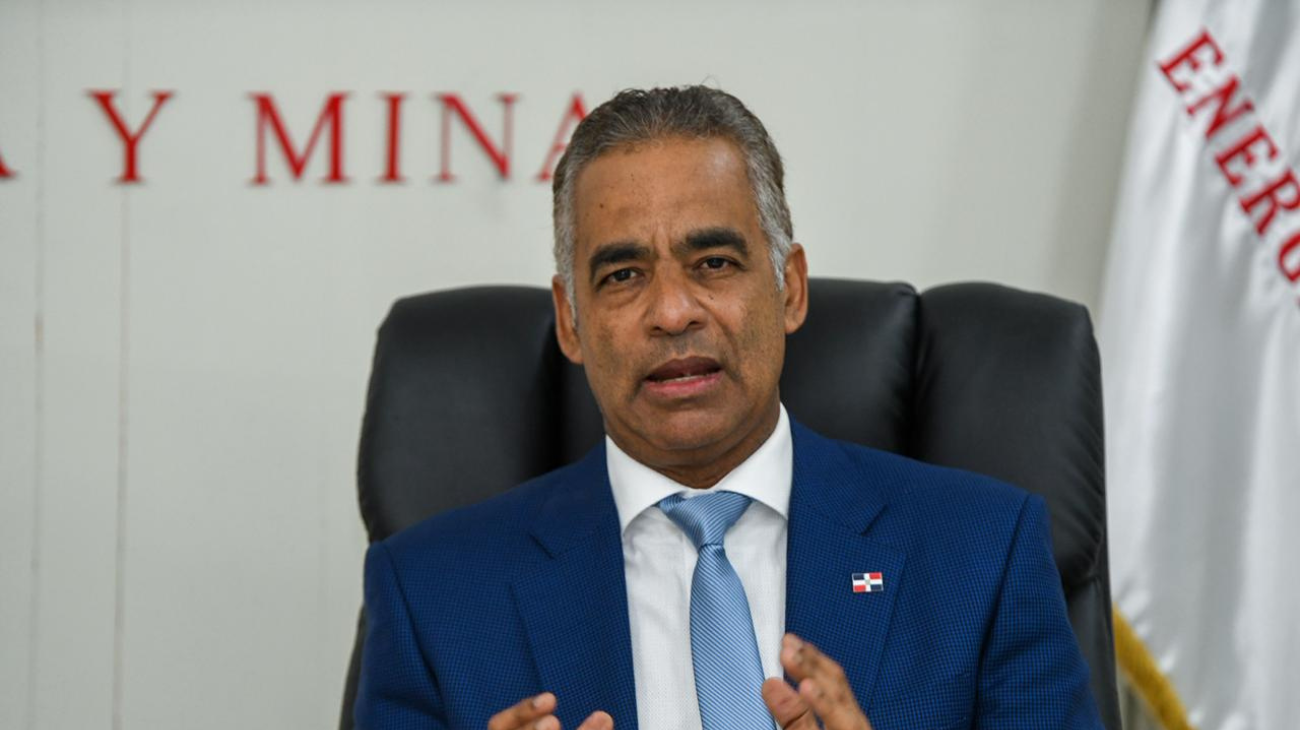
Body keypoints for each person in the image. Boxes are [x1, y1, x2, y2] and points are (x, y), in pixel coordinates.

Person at [355, 86, 1102, 730]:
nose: (672, 312)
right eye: (623, 275)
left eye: (713, 263)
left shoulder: (981, 554)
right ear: (570, 321)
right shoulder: (433, 597)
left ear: (790, 289)